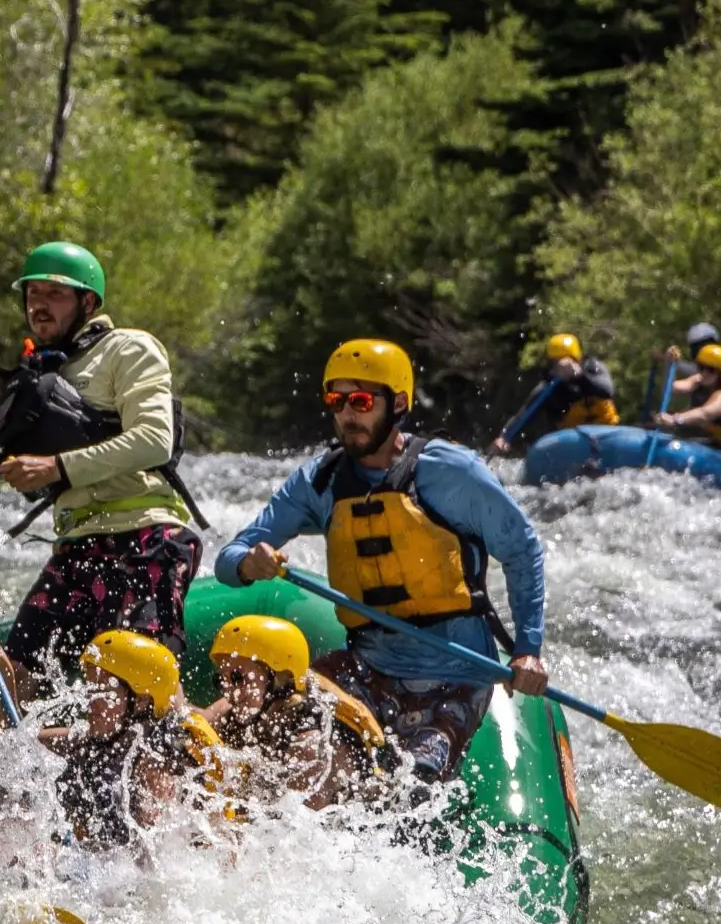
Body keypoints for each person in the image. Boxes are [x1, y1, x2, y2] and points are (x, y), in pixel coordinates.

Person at [218, 338, 548, 786]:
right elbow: (231, 555)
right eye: (336, 401)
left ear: (397, 404)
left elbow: (522, 549)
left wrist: (528, 649)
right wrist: (247, 564)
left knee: (408, 791)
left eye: (360, 401)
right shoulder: (321, 480)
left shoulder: (450, 472)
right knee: (293, 741)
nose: (347, 415)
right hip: (367, 667)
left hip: (455, 675)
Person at [0, 241, 202, 698]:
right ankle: (2, 768)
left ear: (87, 302)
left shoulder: (129, 349)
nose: (39, 306)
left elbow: (153, 440)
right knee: (12, 683)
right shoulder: (42, 374)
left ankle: (188, 759)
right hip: (76, 548)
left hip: (145, 539)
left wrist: (56, 466)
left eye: (54, 294)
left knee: (135, 693)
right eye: (33, 295)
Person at [22, 629, 224, 847]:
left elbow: (153, 860)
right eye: (90, 690)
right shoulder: (101, 738)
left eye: (103, 693)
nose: (91, 702)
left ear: (141, 702)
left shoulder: (156, 769)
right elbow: (21, 742)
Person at [202, 614, 389, 808]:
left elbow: (297, 816)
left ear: (279, 676)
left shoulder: (311, 735)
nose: (229, 691)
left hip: (349, 817)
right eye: (220, 680)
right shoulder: (247, 701)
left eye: (237, 677)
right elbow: (195, 726)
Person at [491, 333, 619, 455]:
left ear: (578, 359)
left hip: (607, 432)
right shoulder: (548, 387)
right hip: (571, 443)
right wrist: (503, 438)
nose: (563, 367)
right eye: (557, 363)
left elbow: (607, 391)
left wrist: (580, 377)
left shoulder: (593, 368)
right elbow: (523, 416)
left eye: (568, 361)